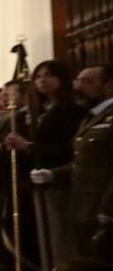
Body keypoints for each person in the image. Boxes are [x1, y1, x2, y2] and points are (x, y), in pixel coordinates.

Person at [34, 63, 113, 259]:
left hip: (102, 206)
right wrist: (53, 173)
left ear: (108, 86)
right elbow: (83, 161)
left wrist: (108, 208)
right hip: (83, 206)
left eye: (87, 81)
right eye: (77, 80)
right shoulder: (91, 117)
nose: (78, 86)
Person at [11, 61, 85, 266]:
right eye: (38, 76)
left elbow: (69, 148)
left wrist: (28, 146)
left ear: (62, 79)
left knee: (60, 239)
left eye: (48, 75)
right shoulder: (38, 110)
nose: (42, 80)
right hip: (36, 180)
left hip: (60, 179)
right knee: (43, 241)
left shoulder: (72, 110)